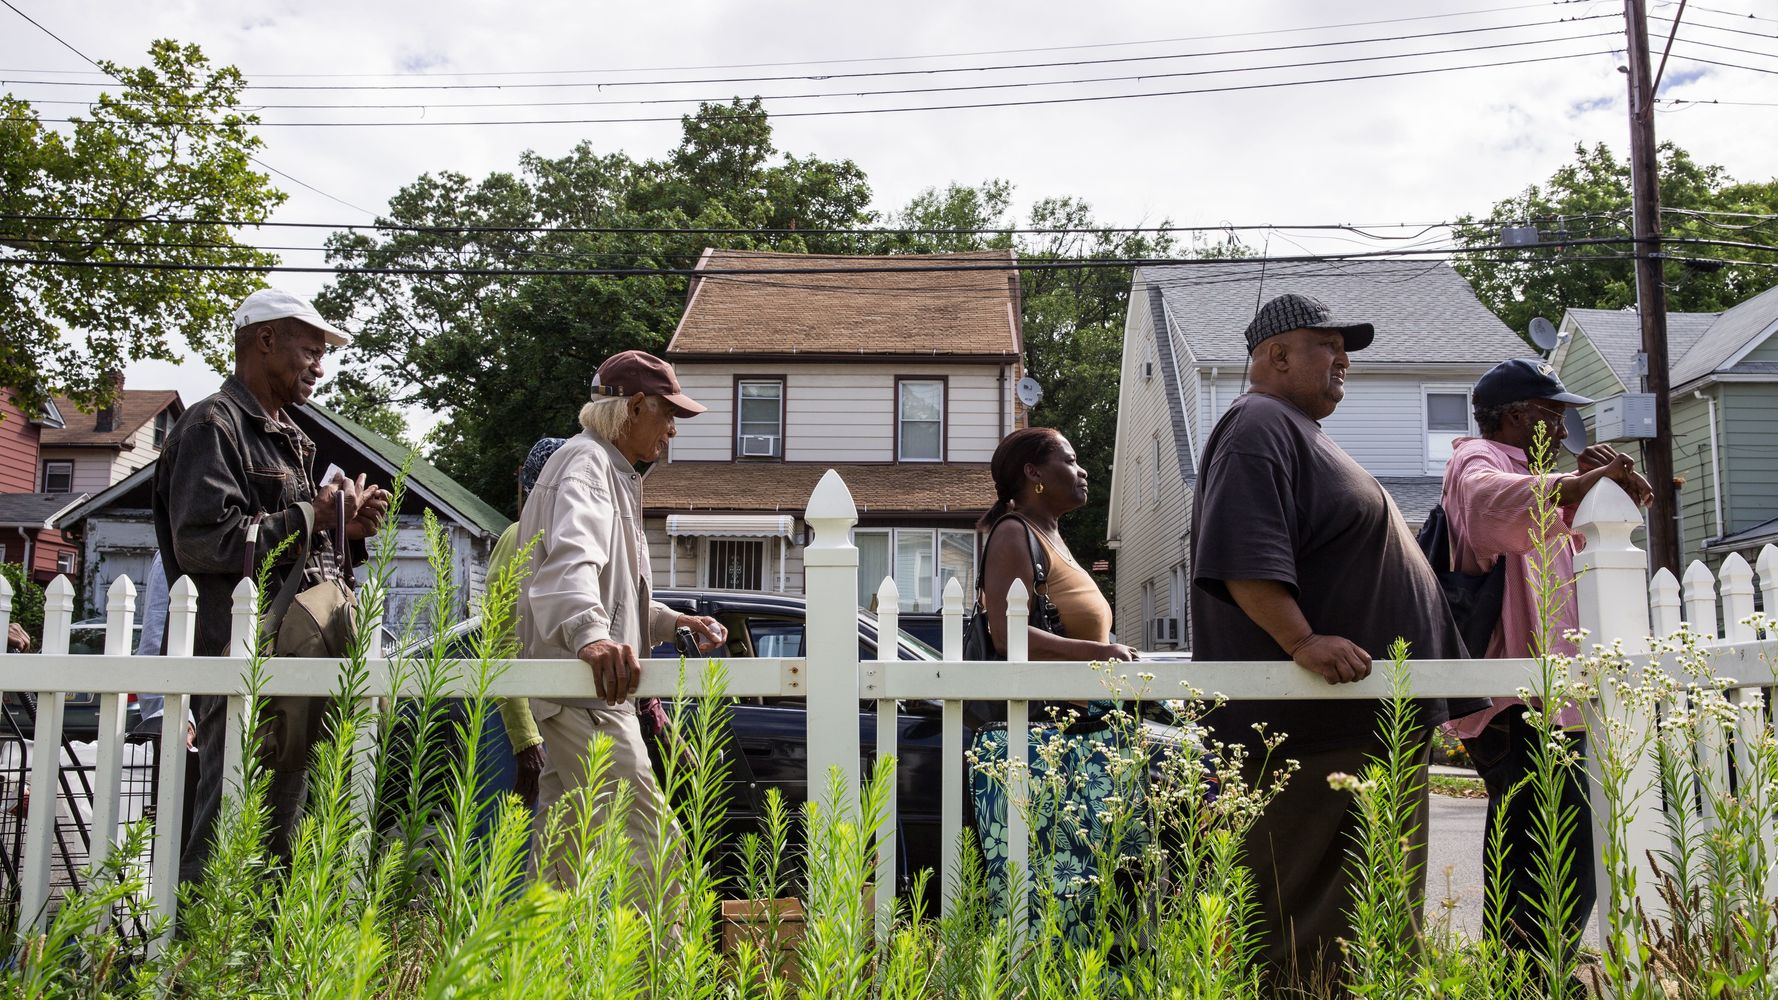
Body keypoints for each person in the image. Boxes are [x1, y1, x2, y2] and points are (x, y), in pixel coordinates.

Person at [1190, 292, 1484, 982]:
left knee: (1371, 920)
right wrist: (1302, 640)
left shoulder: (1295, 429)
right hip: (1313, 729)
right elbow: (1241, 555)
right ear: (1276, 356)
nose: (1343, 358)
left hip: (1359, 722)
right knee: (1314, 923)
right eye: (1326, 343)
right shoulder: (1257, 423)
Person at [153, 287, 391, 883]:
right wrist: (313, 513)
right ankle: (195, 966)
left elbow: (294, 558)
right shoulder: (213, 424)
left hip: (293, 663)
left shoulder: (289, 434)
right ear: (264, 340)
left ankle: (256, 963)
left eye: (323, 353)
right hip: (241, 662)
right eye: (310, 349)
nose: (320, 365)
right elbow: (206, 542)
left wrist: (345, 530)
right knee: (232, 818)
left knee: (286, 826)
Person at [1442, 358, 1651, 953]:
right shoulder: (1475, 461)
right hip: (1518, 705)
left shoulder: (1535, 480)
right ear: (1514, 417)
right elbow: (1488, 507)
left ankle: (1531, 973)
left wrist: (1603, 495)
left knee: (1559, 849)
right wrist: (1572, 486)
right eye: (1552, 417)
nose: (1564, 433)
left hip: (1557, 701)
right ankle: (1527, 976)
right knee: (1540, 851)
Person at [517, 350, 724, 893]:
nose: (673, 431)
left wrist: (668, 619)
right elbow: (570, 567)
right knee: (655, 850)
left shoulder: (605, 469)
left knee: (559, 862)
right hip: (591, 695)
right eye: (669, 414)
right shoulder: (587, 467)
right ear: (634, 407)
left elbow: (611, 595)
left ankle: (529, 975)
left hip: (578, 694)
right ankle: (660, 976)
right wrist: (591, 637)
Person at [969, 426, 1138, 940]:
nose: (1083, 470)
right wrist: (1103, 653)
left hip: (1086, 741)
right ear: (1033, 473)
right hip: (1045, 746)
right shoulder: (1013, 533)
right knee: (1052, 902)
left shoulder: (1052, 537)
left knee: (1099, 899)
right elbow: (1006, 633)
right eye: (1069, 459)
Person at [487, 436, 567, 810]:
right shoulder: (520, 537)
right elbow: (501, 640)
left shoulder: (567, 538)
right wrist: (525, 740)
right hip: (523, 725)